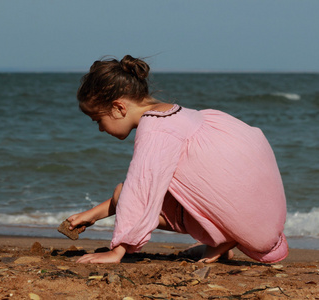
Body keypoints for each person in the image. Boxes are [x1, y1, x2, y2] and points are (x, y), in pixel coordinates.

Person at [68, 55, 288, 264]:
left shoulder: (155, 129)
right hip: (263, 222)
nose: (99, 129)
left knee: (124, 192)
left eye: (98, 119)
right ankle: (222, 237)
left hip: (249, 229)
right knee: (139, 193)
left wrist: (117, 251)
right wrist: (92, 215)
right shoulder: (182, 115)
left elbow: (140, 191)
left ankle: (223, 236)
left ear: (119, 107)